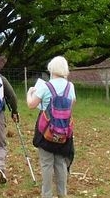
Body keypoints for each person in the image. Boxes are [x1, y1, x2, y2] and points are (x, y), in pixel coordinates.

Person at [27, 55, 76, 198]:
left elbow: (31, 105)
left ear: (51, 69)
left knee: (46, 163)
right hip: (64, 131)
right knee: (60, 163)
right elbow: (72, 104)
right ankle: (62, 193)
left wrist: (30, 93)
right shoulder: (70, 86)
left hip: (46, 131)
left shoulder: (45, 86)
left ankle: (46, 194)